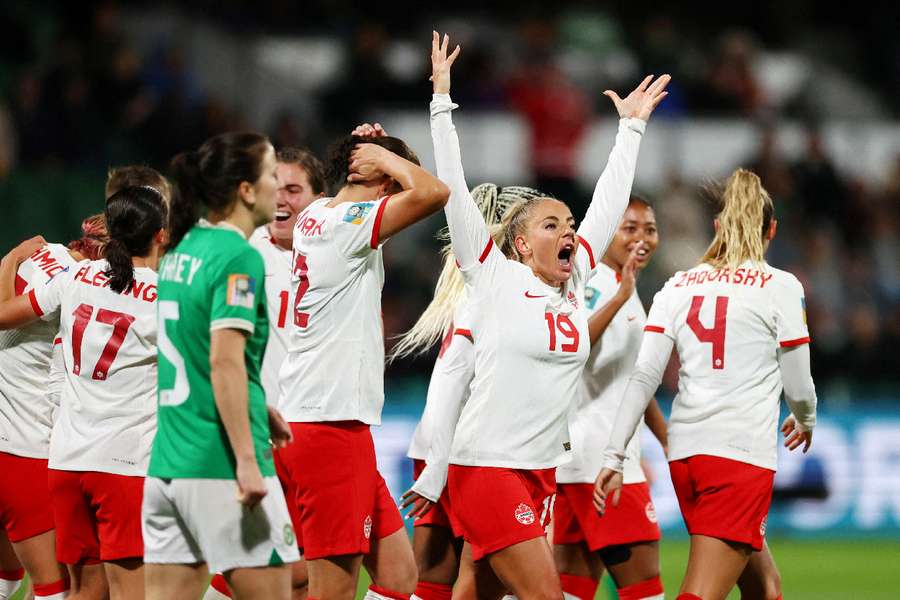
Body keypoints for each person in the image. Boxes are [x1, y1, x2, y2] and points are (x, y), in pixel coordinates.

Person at [429, 31, 668, 600]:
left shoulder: (574, 278)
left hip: (540, 472)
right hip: (487, 466)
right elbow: (455, 191)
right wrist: (442, 103)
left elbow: (609, 203)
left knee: (479, 590)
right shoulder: (492, 277)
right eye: (551, 226)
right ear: (517, 244)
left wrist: (630, 129)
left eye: (569, 224)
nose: (568, 233)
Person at [596, 169, 818, 600]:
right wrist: (805, 418)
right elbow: (799, 384)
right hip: (738, 458)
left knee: (765, 587)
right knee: (700, 593)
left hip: (687, 457)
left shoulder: (678, 285)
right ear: (771, 229)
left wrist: (614, 451)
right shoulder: (780, 286)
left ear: (717, 226)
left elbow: (644, 376)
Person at [275, 116, 449, 600]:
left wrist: (365, 150)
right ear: (388, 184)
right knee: (331, 589)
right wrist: (386, 158)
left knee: (397, 577)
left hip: (324, 421)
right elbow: (434, 193)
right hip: (330, 426)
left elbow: (380, 197)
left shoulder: (320, 214)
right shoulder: (346, 227)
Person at [143, 132, 299, 600]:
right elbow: (223, 360)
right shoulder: (238, 256)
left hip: (168, 464)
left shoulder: (180, 252)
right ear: (246, 191)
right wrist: (248, 464)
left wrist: (256, 402)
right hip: (221, 464)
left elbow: (192, 350)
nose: (278, 185)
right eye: (272, 174)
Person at [0, 165, 167, 600]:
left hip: (67, 461)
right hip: (121, 464)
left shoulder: (70, 277)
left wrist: (9, 260)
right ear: (161, 236)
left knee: (79, 592)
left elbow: (4, 316)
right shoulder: (167, 297)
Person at [392, 184, 544, 600]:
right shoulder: (498, 296)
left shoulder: (470, 291)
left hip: (441, 446)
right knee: (490, 577)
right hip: (474, 453)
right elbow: (451, 381)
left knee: (431, 580)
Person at [205, 146, 326, 600]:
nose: (281, 199)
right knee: (274, 570)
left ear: (319, 199)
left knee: (298, 574)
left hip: (310, 437)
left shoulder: (340, 250)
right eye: (275, 187)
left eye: (294, 190)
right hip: (261, 436)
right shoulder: (241, 250)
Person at [553, 196, 668, 600]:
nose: (642, 238)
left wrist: (666, 441)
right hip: (602, 461)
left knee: (571, 587)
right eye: (630, 228)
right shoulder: (598, 283)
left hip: (580, 462)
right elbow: (572, 344)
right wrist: (619, 297)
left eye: (649, 229)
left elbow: (634, 382)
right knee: (644, 587)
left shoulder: (625, 284)